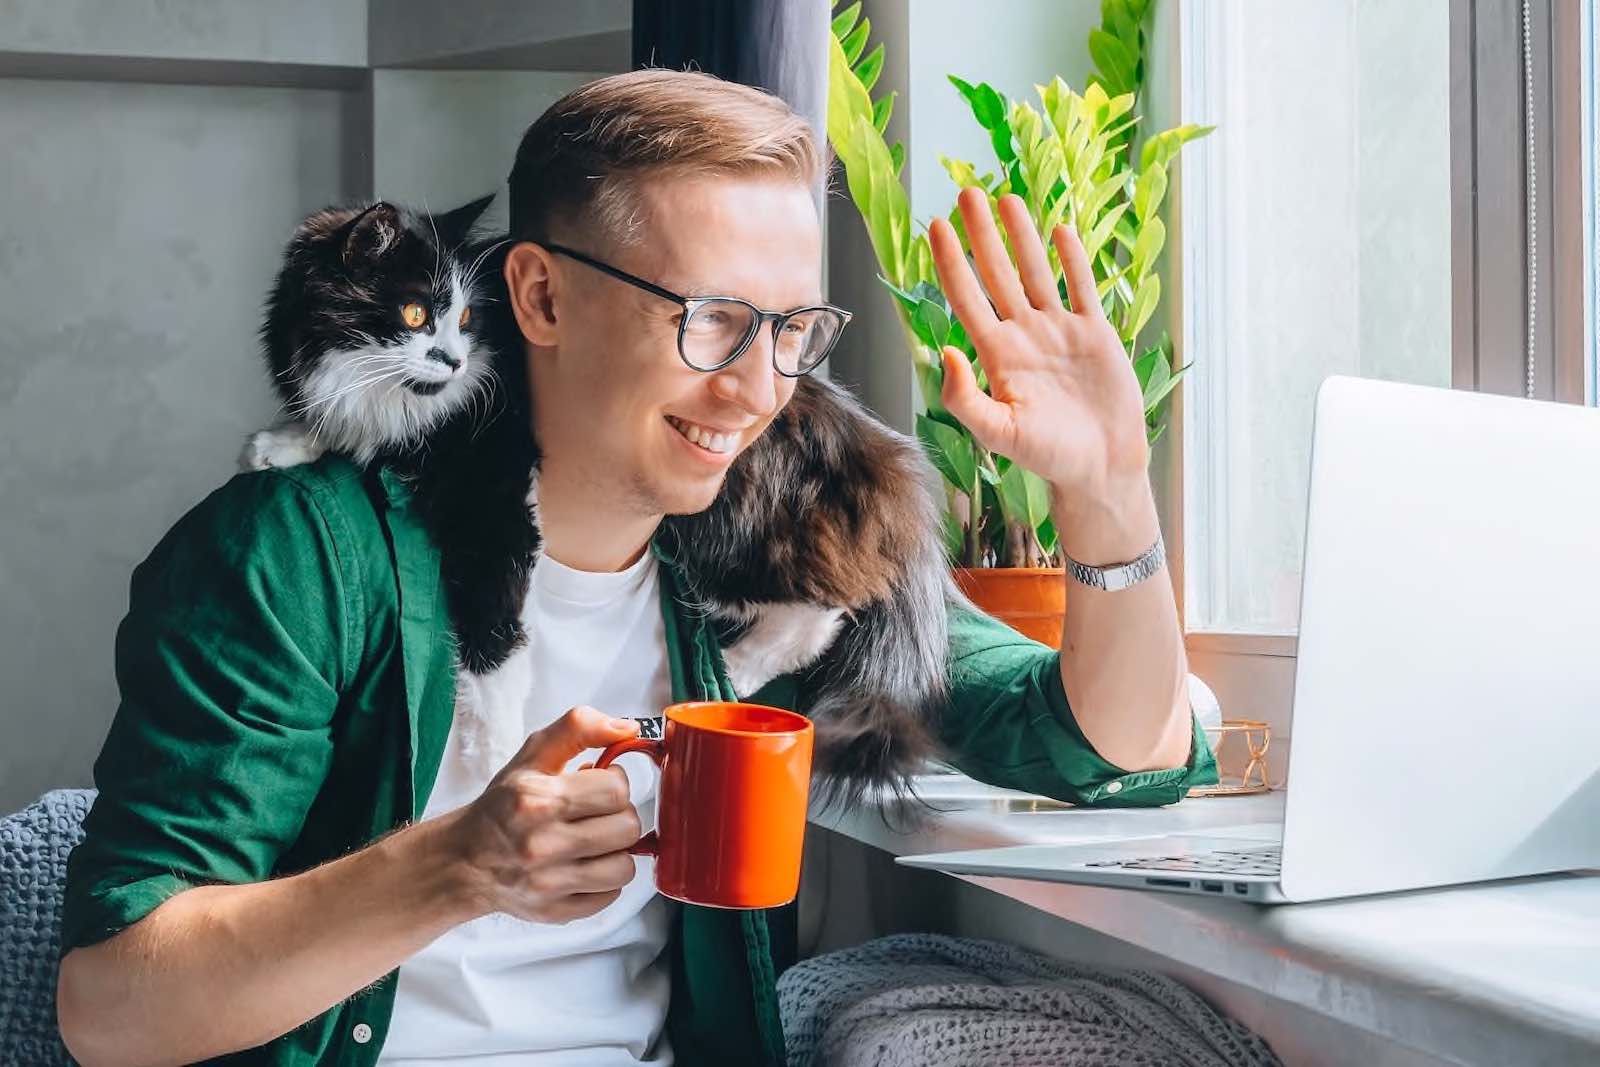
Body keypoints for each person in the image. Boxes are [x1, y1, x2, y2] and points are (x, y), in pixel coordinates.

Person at [55, 69, 1215, 1067]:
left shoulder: (777, 548)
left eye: (791, 326)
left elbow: (1117, 749)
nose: (760, 387)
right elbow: (112, 1006)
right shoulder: (302, 551)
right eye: (711, 318)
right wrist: (455, 865)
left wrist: (1108, 490)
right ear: (540, 294)